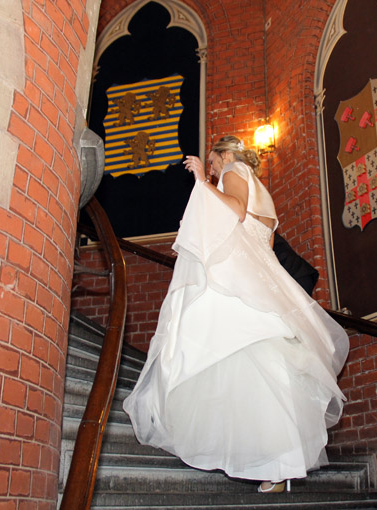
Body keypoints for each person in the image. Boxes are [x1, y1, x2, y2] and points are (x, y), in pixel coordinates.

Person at [122, 135, 349, 493]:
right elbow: (266, 240)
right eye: (211, 168)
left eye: (213, 162)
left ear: (225, 154)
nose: (214, 170)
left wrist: (202, 182)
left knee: (227, 352)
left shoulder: (233, 169)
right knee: (266, 366)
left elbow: (237, 211)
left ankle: (271, 462)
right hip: (262, 275)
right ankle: (280, 463)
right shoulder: (262, 189)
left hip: (240, 277)